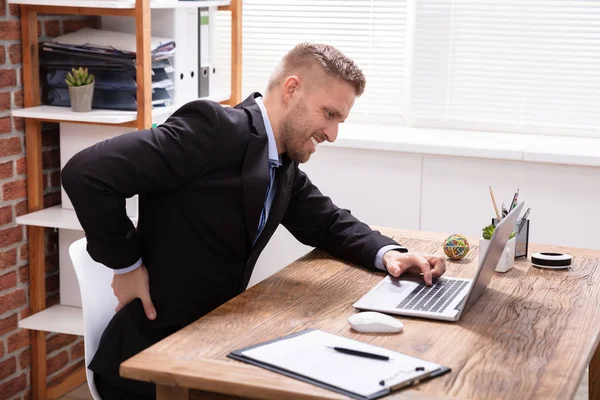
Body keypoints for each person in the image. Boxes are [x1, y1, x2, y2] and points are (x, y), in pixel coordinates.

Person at [62, 43, 447, 399]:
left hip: (214, 344)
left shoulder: (280, 161)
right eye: (329, 114)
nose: (332, 133)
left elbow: (327, 222)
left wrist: (391, 254)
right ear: (292, 89)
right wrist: (125, 264)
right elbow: (87, 172)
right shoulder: (213, 128)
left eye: (339, 120)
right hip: (152, 362)